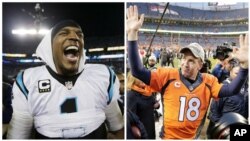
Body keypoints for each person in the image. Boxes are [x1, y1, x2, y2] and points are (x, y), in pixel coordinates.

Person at [126, 5, 248, 139]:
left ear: (200, 64)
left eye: (191, 60)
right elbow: (137, 71)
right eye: (184, 58)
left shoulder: (208, 81)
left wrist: (244, 68)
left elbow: (231, 90)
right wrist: (132, 35)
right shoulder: (168, 76)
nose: (185, 63)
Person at [7, 20, 123, 139]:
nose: (74, 37)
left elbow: (117, 127)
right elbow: (18, 135)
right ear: (50, 45)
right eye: (64, 33)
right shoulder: (28, 81)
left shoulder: (103, 75)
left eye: (79, 35)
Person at [206, 58, 248, 139]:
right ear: (230, 71)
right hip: (225, 130)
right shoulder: (223, 88)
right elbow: (214, 113)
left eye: (242, 74)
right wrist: (221, 130)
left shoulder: (246, 87)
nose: (240, 77)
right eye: (237, 73)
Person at [127, 72, 156, 139]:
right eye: (139, 78)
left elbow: (152, 102)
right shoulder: (131, 95)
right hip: (142, 133)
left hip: (150, 128)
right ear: (133, 79)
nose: (143, 79)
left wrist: (156, 104)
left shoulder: (147, 90)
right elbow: (131, 120)